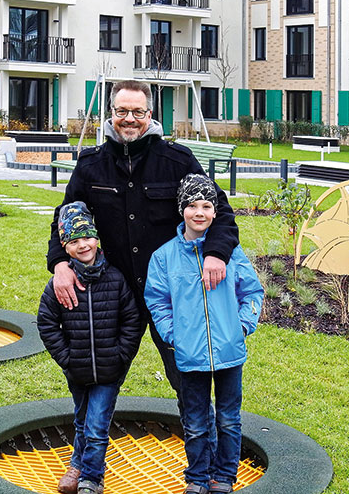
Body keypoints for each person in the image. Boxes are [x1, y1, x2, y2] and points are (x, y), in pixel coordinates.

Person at [46, 79, 239, 392]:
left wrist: (216, 254)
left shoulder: (177, 161)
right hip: (115, 294)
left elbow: (222, 212)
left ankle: (200, 440)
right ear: (111, 113)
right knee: (100, 381)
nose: (129, 119)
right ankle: (92, 440)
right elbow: (65, 216)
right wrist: (59, 263)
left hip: (173, 293)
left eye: (137, 112)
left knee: (189, 382)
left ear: (150, 114)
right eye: (122, 111)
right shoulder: (91, 164)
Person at [144, 174, 264, 494]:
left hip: (229, 351)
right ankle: (197, 477)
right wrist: (172, 335)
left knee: (228, 419)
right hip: (190, 352)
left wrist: (241, 326)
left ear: (215, 212)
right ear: (181, 209)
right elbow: (157, 300)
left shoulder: (230, 254)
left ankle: (224, 476)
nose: (200, 212)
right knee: (195, 422)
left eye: (207, 205)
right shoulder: (164, 257)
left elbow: (252, 292)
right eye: (192, 205)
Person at [38, 202, 143, 494]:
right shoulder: (58, 286)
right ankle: (77, 465)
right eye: (74, 240)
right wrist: (66, 358)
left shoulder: (116, 279)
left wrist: (121, 355)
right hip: (78, 369)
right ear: (64, 246)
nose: (83, 245)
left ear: (97, 239)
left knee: (96, 426)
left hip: (110, 368)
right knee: (83, 418)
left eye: (87, 237)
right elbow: (47, 323)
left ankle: (91, 479)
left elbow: (131, 320)